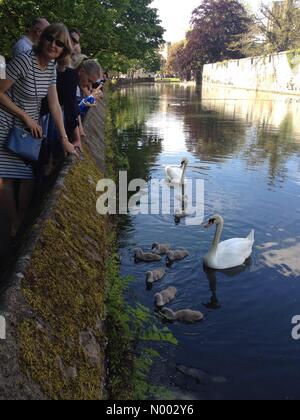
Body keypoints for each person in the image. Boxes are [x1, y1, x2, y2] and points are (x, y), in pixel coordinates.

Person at [0, 23, 78, 237]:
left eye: (59, 43)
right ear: (42, 38)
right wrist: (24, 115)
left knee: (27, 176)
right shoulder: (24, 60)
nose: (53, 45)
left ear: (64, 50)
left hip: (30, 127)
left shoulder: (51, 67)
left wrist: (64, 139)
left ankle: (21, 220)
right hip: (7, 123)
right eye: (50, 39)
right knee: (7, 179)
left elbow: (54, 104)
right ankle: (14, 223)